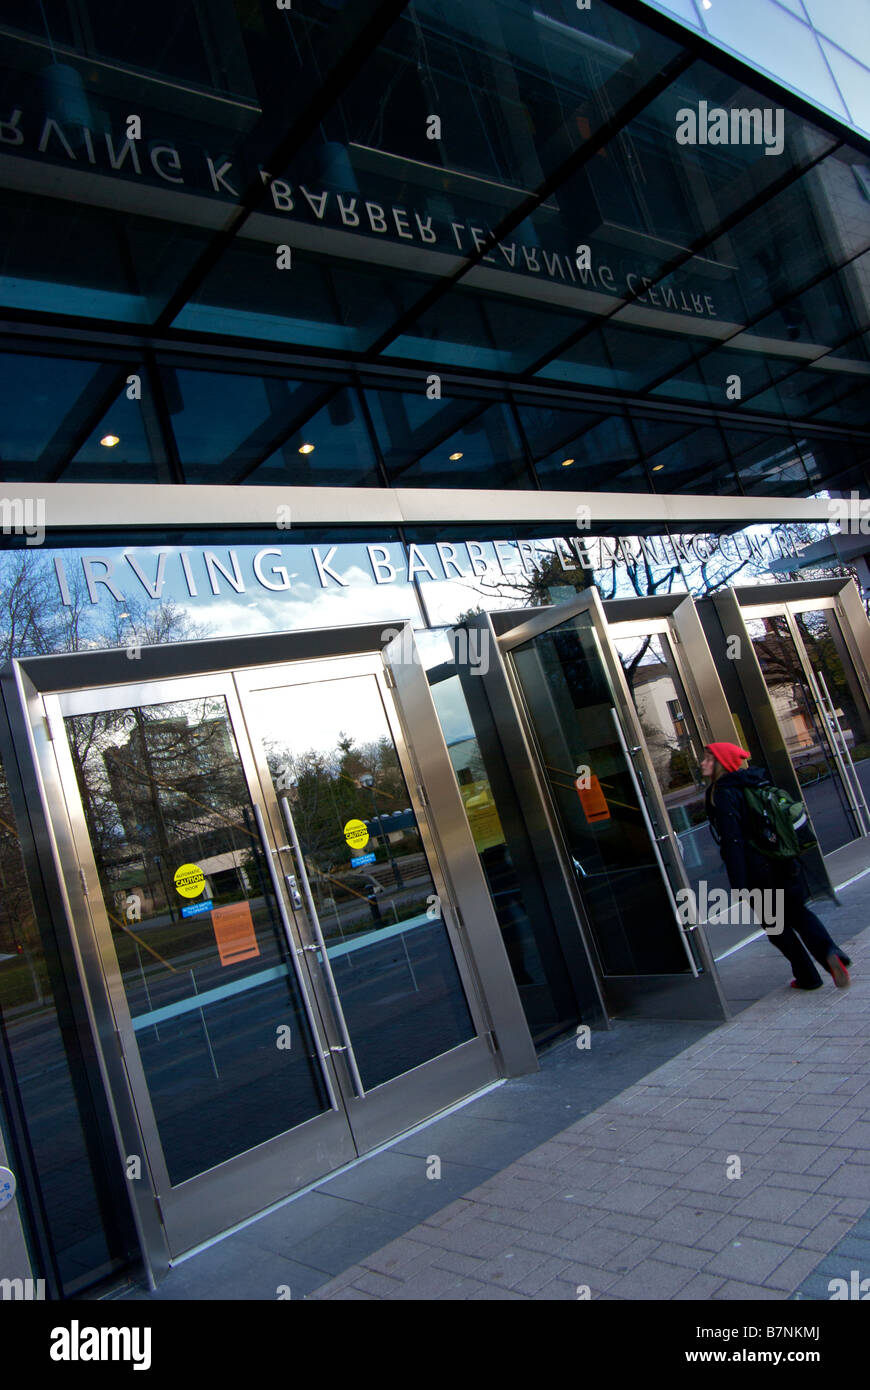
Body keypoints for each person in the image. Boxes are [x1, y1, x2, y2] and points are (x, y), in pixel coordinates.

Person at [702, 741, 851, 991]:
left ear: (721, 764)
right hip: (784, 860)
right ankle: (830, 952)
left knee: (776, 926)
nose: (703, 763)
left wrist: (739, 882)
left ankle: (808, 978)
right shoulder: (754, 782)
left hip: (759, 871)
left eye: (708, 758)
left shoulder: (723, 792)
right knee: (799, 913)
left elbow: (733, 841)